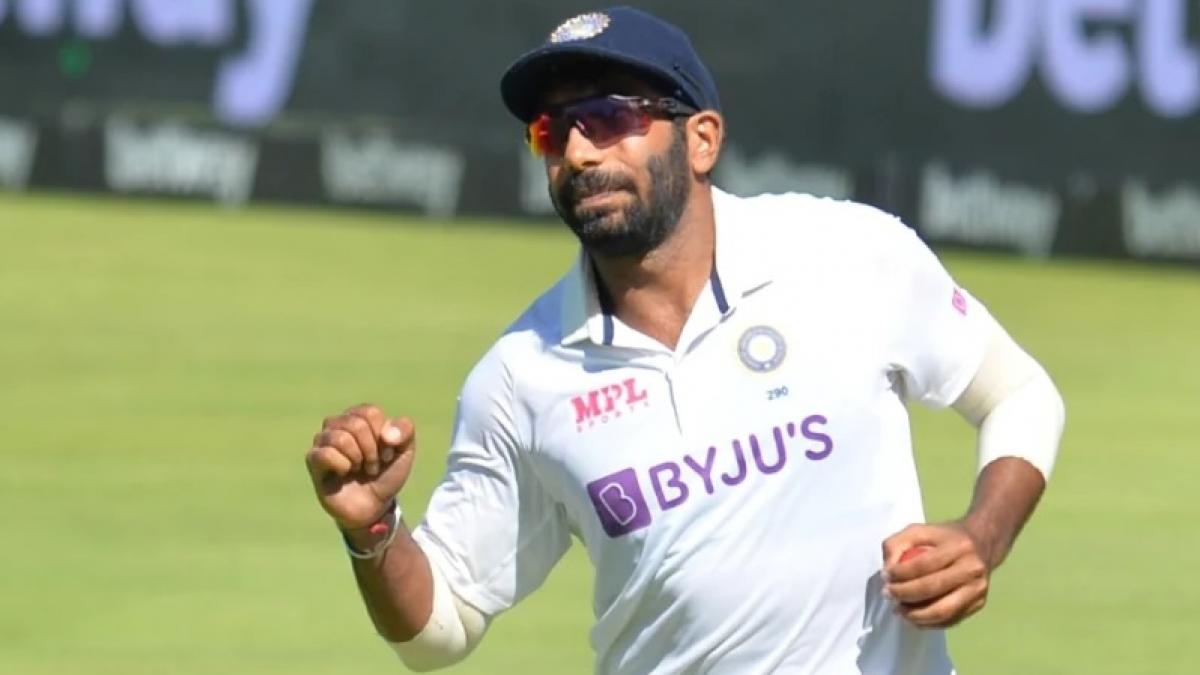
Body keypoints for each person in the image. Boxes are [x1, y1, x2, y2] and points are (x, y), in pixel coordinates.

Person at [303, 6, 1065, 673]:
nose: (577, 153)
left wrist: (984, 533)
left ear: (701, 139)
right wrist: (373, 527)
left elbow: (1019, 394)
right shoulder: (520, 376)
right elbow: (441, 626)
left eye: (606, 118)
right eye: (551, 130)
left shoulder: (849, 253)